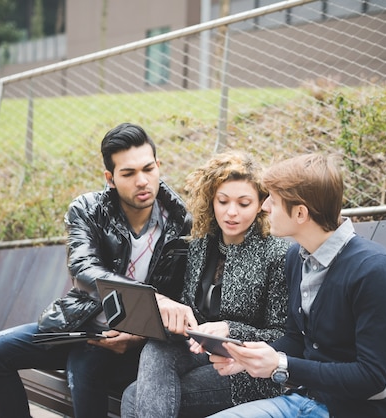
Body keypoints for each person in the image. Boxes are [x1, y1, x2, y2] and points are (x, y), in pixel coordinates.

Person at [0, 122, 192, 418]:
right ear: (110, 178)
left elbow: (185, 298)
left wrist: (140, 334)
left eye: (148, 169)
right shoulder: (88, 209)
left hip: (137, 343)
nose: (142, 181)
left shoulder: (181, 223)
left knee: (84, 366)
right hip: (82, 327)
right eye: (128, 173)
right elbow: (83, 267)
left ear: (158, 166)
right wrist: (151, 297)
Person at [208, 153, 386, 418]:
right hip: (302, 401)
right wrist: (246, 358)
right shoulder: (296, 258)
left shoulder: (375, 270)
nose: (265, 206)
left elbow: (373, 377)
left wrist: (280, 364)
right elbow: (295, 339)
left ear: (300, 213)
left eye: (274, 201)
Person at [121, 151, 292, 418]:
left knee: (134, 396)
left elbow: (283, 336)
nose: (231, 212)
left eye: (244, 203)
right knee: (156, 349)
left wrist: (229, 329)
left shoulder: (277, 253)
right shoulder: (201, 244)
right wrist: (174, 316)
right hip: (198, 351)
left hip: (245, 368)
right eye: (222, 201)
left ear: (260, 204)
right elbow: (190, 311)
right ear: (211, 201)